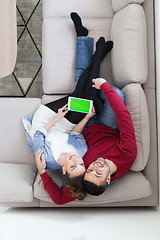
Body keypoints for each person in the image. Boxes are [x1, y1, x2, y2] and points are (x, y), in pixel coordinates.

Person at [23, 12, 113, 202]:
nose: (76, 159)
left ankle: (98, 54)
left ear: (63, 169)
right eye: (81, 163)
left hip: (47, 120)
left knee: (83, 94)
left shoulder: (47, 160)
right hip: (65, 126)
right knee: (85, 98)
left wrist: (57, 116)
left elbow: (39, 133)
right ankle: (97, 54)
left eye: (73, 165)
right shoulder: (80, 152)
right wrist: (87, 118)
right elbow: (76, 135)